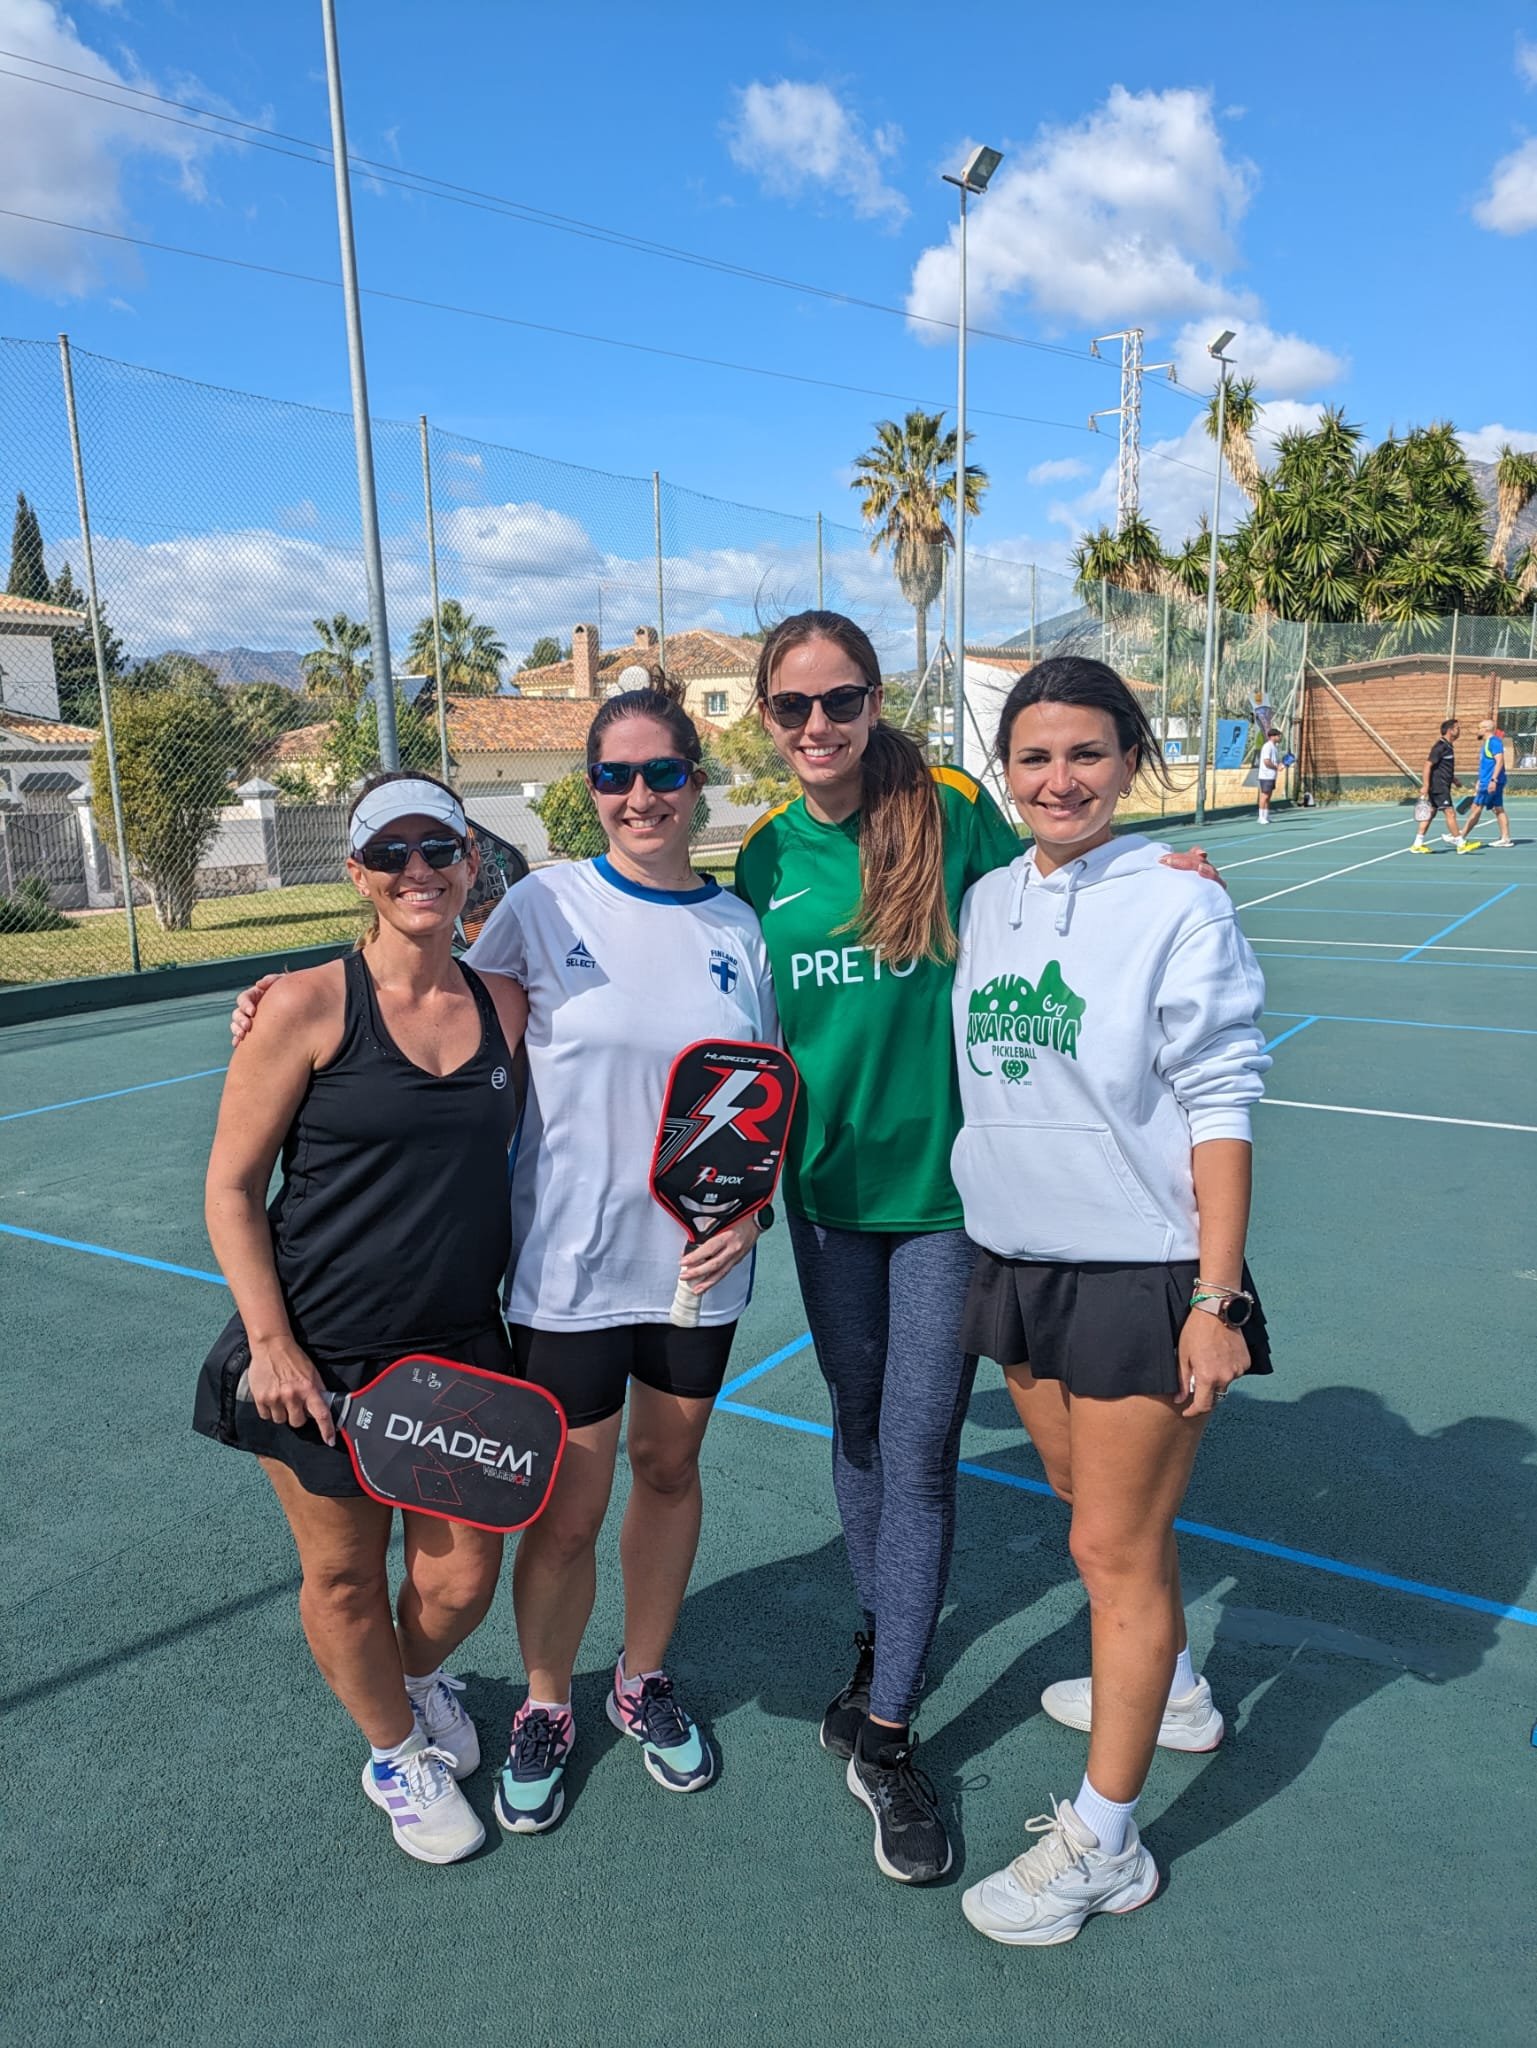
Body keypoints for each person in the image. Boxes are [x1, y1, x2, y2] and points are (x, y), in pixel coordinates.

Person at [735, 611, 1222, 1887]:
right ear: (766, 719)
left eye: (839, 699)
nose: (818, 726)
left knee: (918, 1445)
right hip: (826, 1198)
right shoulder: (764, 858)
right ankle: (884, 1631)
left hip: (955, 1202)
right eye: (792, 707)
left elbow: (1064, 871)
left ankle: (887, 1723)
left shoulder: (949, 804)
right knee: (853, 1429)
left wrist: (1170, 871)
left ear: (874, 697)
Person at [236, 682, 776, 1833]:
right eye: (615, 776)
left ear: (695, 781)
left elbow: (764, 1096)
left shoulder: (740, 928)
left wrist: (759, 1204)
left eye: (663, 773)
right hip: (565, 1277)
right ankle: (544, 1701)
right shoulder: (540, 905)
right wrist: (273, 998)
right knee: (564, 1512)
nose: (640, 796)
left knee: (671, 1474)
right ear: (588, 792)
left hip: (694, 1273)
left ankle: (640, 1677)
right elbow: (413, 970)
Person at [950, 656, 1271, 1947]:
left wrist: (1216, 1296)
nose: (1058, 779)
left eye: (1086, 753)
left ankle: (1103, 1845)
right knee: (1101, 1520)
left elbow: (1220, 1099)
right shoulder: (984, 901)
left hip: (1142, 1269)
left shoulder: (1180, 905)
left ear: (1131, 761)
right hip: (1018, 1262)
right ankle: (1178, 1691)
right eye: (1033, 756)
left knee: (1109, 1554)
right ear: (1006, 770)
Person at [198, 771, 529, 1865]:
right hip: (318, 1350)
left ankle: (415, 1678)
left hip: (458, 1345)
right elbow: (232, 1188)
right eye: (391, 854)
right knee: (343, 1574)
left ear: (471, 858)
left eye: (438, 847)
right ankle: (392, 1746)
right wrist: (272, 1340)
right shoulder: (301, 1003)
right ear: (358, 874)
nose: (418, 869)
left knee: (460, 1576)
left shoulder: (505, 1005)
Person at [1459, 716, 1515, 850]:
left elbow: (1499, 761)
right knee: (1498, 808)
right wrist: (1480, 780)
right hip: (1487, 781)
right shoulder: (1488, 743)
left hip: (1491, 782)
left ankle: (1460, 836)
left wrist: (1493, 780)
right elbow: (1487, 765)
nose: (1477, 731)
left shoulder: (1493, 742)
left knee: (1476, 808)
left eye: (1479, 728)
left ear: (1485, 729)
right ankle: (1505, 838)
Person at [1411, 718, 1462, 853]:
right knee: (1450, 812)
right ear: (1450, 731)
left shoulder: (1449, 746)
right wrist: (1426, 785)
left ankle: (1417, 844)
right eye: (1457, 728)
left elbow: (1443, 767)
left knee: (1430, 813)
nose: (1459, 730)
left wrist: (1453, 779)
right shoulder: (1440, 746)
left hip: (1443, 784)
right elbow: (1427, 766)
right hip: (1438, 786)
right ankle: (1460, 843)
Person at [1256, 727, 1282, 822]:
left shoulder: (1274, 747)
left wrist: (1279, 765)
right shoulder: (1267, 746)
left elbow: (1274, 761)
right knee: (1264, 795)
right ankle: (1261, 817)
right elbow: (1266, 762)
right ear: (1272, 736)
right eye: (1278, 735)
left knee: (1269, 796)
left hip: (1272, 775)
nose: (1279, 737)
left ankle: (1266, 815)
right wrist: (1276, 767)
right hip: (1265, 775)